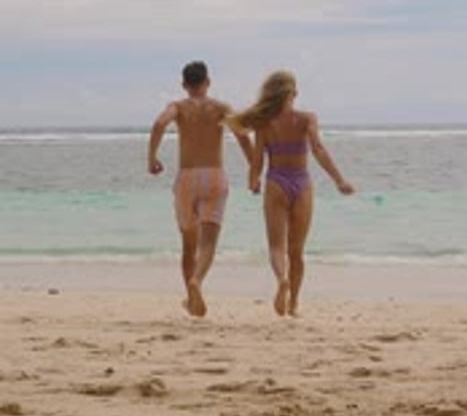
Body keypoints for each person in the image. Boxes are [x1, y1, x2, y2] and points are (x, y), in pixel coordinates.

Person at [231, 70, 354, 317]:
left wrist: (253, 180)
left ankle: (281, 280)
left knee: (277, 247)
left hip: (276, 182)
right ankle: (294, 303)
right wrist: (339, 180)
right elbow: (318, 149)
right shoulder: (307, 118)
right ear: (293, 93)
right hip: (302, 184)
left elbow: (257, 159)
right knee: (296, 250)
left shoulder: (265, 123)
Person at [148, 61, 253, 317]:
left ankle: (191, 297)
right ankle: (197, 281)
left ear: (184, 85)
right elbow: (241, 135)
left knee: (188, 244)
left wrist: (152, 157)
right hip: (215, 176)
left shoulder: (178, 107)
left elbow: (160, 124)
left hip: (187, 178)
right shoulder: (220, 108)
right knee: (208, 243)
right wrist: (254, 169)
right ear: (208, 82)